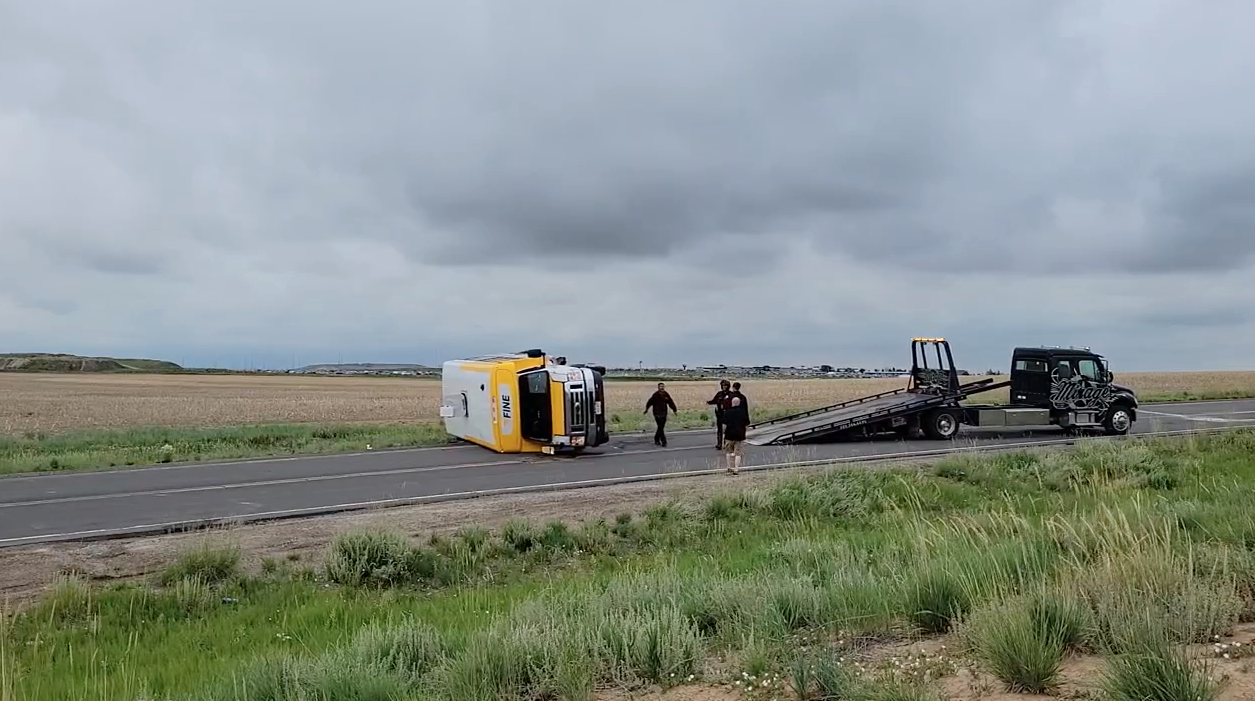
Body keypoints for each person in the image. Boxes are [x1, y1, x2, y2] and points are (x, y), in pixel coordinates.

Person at [644, 381, 678, 447]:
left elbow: (670, 402)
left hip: (664, 413)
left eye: (663, 386)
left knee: (661, 427)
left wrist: (674, 410)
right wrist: (646, 409)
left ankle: (656, 438)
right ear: (658, 387)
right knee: (661, 428)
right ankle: (664, 441)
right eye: (660, 386)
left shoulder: (666, 394)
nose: (662, 388)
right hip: (657, 413)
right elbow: (649, 402)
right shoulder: (655, 395)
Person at [722, 395, 750, 474]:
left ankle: (729, 467)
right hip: (740, 435)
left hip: (729, 434)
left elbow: (724, 424)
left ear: (732, 403)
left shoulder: (728, 412)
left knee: (728, 451)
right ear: (739, 403)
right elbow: (746, 423)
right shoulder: (743, 412)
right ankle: (736, 469)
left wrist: (724, 432)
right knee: (738, 452)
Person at [705, 379, 732, 449]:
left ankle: (727, 443)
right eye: (723, 385)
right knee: (719, 429)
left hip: (728, 414)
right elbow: (714, 401)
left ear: (728, 386)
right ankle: (719, 444)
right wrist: (708, 402)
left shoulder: (731, 394)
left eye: (725, 385)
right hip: (719, 414)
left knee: (728, 430)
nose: (724, 387)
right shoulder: (719, 394)